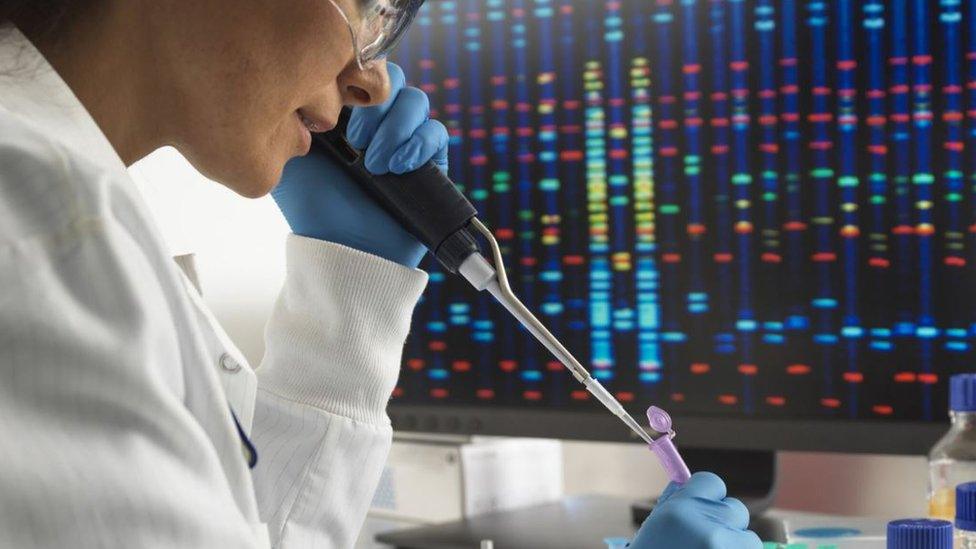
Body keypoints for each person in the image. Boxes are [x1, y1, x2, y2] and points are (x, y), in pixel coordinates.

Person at [0, 1, 761, 547]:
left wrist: (349, 281)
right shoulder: (39, 238)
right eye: (369, 7)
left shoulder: (64, 213)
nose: (370, 79)